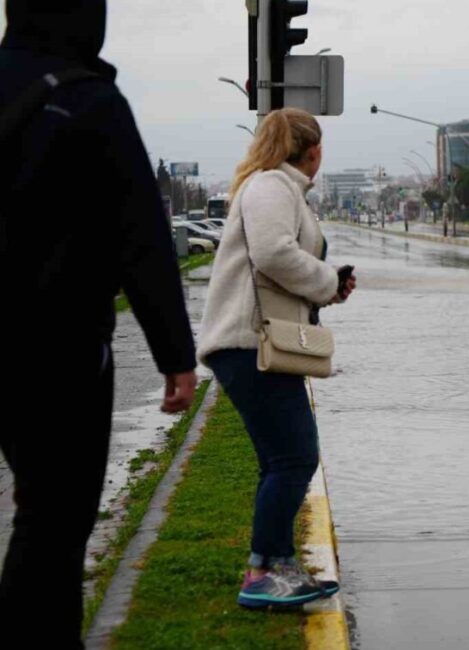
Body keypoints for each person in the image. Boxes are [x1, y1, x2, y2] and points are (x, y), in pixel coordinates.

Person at [0, 0, 198, 646]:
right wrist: (175, 356)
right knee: (52, 523)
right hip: (58, 354)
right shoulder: (91, 103)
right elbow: (140, 237)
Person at [197, 107, 356, 609]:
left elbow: (279, 260)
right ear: (313, 151)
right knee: (295, 457)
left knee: (280, 461)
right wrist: (327, 280)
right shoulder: (271, 187)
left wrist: (329, 288)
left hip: (256, 344)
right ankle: (263, 572)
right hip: (249, 344)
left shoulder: (277, 187)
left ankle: (278, 566)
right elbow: (272, 253)